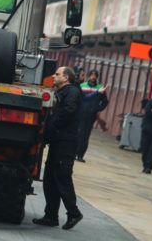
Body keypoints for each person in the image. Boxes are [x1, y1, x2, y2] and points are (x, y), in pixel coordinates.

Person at [33, 66, 84, 230]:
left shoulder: (72, 92)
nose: (54, 76)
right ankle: (51, 216)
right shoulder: (60, 92)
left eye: (57, 74)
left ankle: (74, 213)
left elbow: (67, 112)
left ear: (66, 78)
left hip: (66, 142)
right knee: (49, 178)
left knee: (62, 177)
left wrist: (52, 128)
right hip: (57, 141)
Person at [76, 70, 110, 162]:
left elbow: (105, 101)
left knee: (85, 135)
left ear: (97, 77)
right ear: (89, 76)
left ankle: (80, 155)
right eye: (92, 75)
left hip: (91, 115)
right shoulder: (82, 86)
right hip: (80, 113)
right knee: (78, 133)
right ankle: (74, 153)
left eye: (95, 75)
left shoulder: (100, 88)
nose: (93, 77)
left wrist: (97, 108)